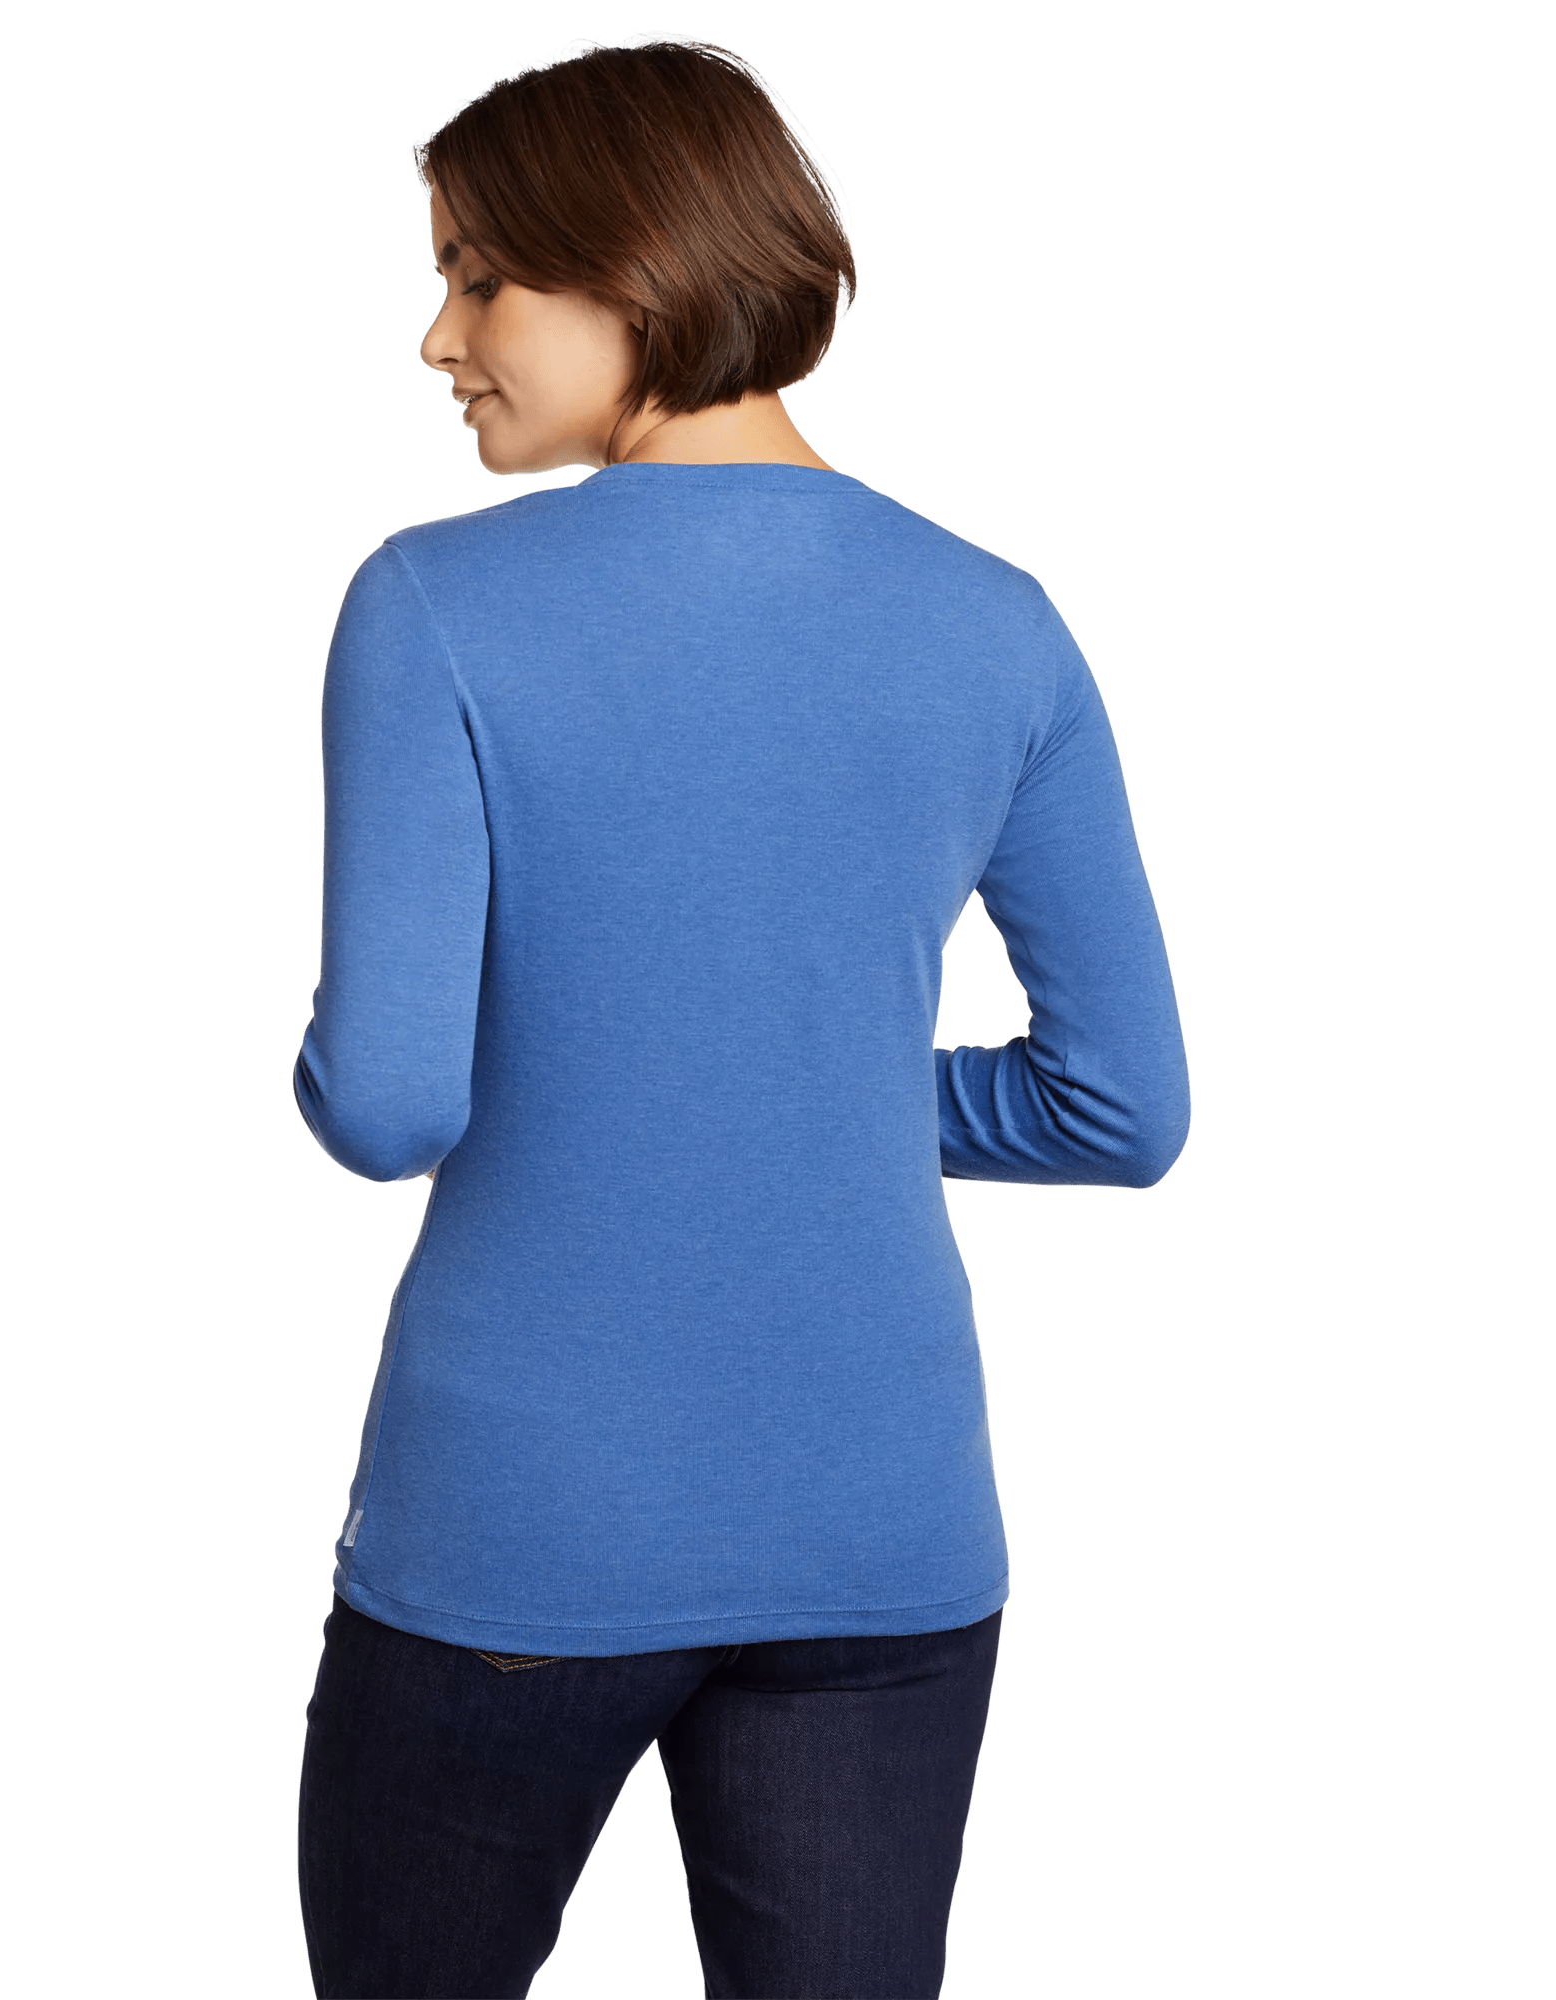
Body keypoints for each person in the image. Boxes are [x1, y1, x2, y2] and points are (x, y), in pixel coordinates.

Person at [289, 27, 1190, 1999]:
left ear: (629, 271)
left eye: (475, 278)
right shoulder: (1000, 618)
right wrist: (815, 1078)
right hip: (884, 1530)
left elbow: (388, 1100)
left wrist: (638, 1065)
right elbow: (1122, 1108)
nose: (439, 338)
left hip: (523, 1525)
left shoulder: (433, 606)